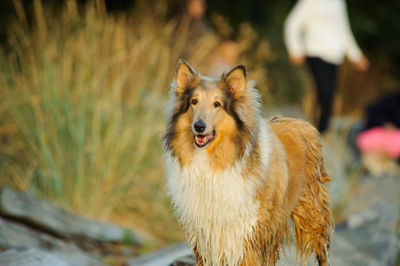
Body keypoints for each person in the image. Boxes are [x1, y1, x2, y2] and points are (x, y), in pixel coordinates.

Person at [284, 0, 369, 133]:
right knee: (326, 92)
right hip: (315, 51)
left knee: (328, 96)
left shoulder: (338, 2)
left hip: (335, 55)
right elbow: (292, 23)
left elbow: (344, 30)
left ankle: (319, 133)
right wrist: (295, 49)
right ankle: (319, 131)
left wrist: (356, 56)